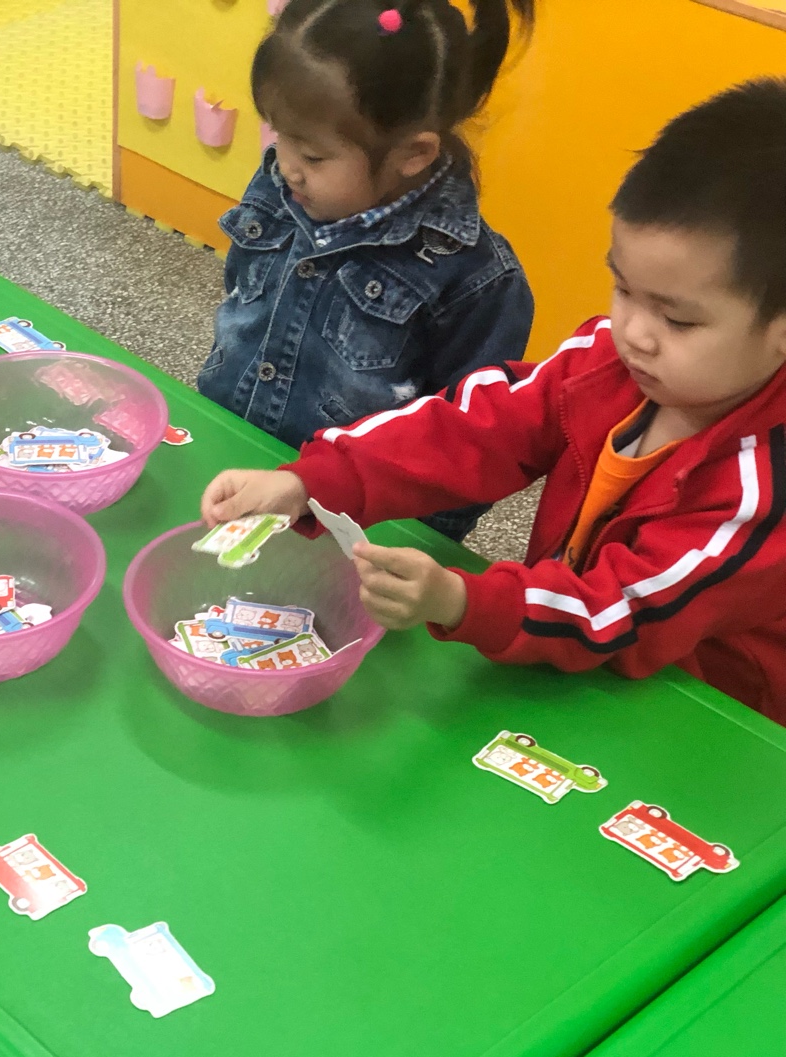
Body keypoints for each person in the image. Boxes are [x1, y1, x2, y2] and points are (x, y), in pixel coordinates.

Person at [200, 79, 786, 724]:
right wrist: (311, 482)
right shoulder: (608, 361)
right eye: (624, 289)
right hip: (578, 660)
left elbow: (626, 609)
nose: (634, 333)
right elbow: (473, 428)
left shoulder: (761, 489)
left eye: (677, 320)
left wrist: (465, 602)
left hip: (713, 720)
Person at [199, 0, 535, 541]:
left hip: (350, 523)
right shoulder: (285, 187)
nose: (287, 167)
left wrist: (418, 546)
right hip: (230, 457)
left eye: (313, 156)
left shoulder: (478, 283)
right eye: (279, 136)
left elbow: (467, 452)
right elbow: (243, 301)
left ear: (413, 154)